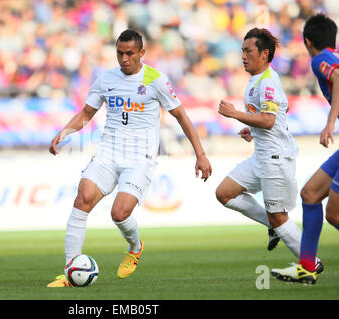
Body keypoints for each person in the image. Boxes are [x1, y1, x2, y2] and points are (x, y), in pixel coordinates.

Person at [46, 29, 212, 287]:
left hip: (140, 157)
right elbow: (86, 113)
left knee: (119, 213)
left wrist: (200, 155)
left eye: (130, 53)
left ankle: (135, 247)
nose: (124, 58)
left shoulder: (156, 80)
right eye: (120, 53)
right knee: (82, 200)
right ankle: (70, 270)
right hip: (108, 152)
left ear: (141, 53)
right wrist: (64, 132)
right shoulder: (105, 79)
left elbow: (182, 117)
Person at [215, 28, 323, 268]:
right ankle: (273, 227)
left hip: (275, 157)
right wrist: (252, 130)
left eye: (248, 51)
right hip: (261, 156)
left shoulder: (268, 82)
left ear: (264, 53)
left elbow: (269, 120)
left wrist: (235, 114)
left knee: (279, 217)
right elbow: (270, 118)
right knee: (224, 193)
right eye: (242, 51)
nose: (243, 56)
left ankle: (311, 264)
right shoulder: (256, 80)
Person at [271, 13, 338, 285]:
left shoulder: (320, 59)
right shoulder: (333, 55)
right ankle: (307, 267)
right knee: (310, 195)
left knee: (334, 214)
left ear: (307, 41)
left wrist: (329, 122)